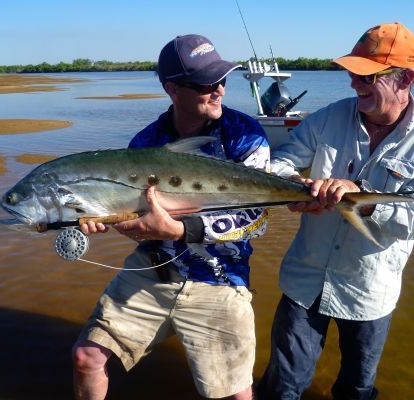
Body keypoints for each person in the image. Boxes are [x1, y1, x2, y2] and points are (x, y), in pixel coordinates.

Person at [257, 22, 414, 399]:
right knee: (281, 387)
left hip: (369, 291)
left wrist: (361, 196)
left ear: (406, 79)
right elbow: (280, 164)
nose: (353, 83)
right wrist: (298, 189)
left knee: (356, 390)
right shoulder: (327, 117)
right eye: (352, 73)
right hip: (305, 280)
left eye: (366, 76)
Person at [72, 34, 270, 400]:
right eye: (206, 85)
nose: (220, 91)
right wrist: (105, 219)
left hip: (220, 276)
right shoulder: (144, 143)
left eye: (222, 80)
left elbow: (256, 220)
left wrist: (179, 229)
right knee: (86, 357)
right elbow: (134, 222)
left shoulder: (245, 135)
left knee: (236, 394)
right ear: (172, 89)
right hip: (154, 268)